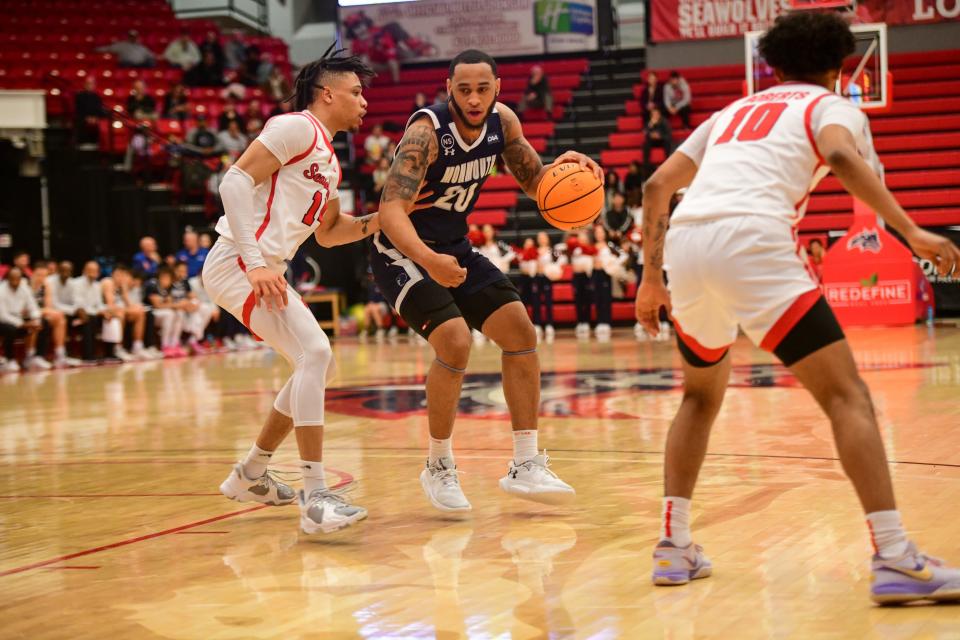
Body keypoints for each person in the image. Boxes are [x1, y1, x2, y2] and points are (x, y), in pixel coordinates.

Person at [635, 11, 960, 603]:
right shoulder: (831, 107)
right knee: (848, 396)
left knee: (698, 396)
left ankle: (673, 546)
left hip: (685, 244)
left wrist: (650, 280)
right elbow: (838, 157)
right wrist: (913, 232)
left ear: (772, 65)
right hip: (751, 239)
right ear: (841, 69)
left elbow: (657, 185)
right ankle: (893, 556)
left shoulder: (729, 113)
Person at [374, 50, 597, 511]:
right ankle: (438, 465)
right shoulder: (426, 133)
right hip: (401, 251)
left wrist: (566, 170)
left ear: (497, 85)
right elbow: (390, 211)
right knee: (455, 342)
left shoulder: (504, 123)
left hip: (454, 247)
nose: (474, 99)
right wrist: (428, 260)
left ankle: (525, 463)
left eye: (483, 88)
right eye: (463, 89)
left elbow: (537, 184)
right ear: (448, 87)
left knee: (519, 332)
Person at [203, 50, 379, 535]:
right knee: (316, 353)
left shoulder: (329, 159)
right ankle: (315, 496)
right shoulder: (296, 127)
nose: (364, 102)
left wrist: (387, 218)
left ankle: (252, 474)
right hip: (239, 262)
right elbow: (234, 181)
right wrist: (256, 263)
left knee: (312, 360)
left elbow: (331, 232)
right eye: (357, 93)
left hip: (262, 268)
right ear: (328, 94)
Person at [30, 265, 82, 368]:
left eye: (45, 276)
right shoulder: (25, 285)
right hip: (26, 315)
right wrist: (46, 312)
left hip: (40, 314)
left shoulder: (46, 286)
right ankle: (32, 356)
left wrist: (49, 313)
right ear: (33, 274)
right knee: (41, 320)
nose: (41, 278)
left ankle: (60, 355)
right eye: (39, 275)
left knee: (60, 319)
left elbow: (49, 306)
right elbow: (27, 309)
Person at [0, 267, 44, 373]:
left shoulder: (24, 288)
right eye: (12, 278)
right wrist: (23, 324)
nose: (15, 281)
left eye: (18, 278)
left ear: (21, 278)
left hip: (19, 320)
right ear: (7, 278)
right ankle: (9, 360)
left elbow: (33, 307)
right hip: (3, 321)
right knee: (9, 329)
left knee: (42, 323)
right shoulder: (1, 290)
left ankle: (32, 357)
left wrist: (36, 319)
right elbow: (3, 316)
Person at [74, 76, 105, 145]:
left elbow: (99, 110)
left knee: (103, 123)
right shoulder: (79, 96)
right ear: (84, 84)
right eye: (88, 83)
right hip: (83, 118)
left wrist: (96, 118)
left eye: (91, 83)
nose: (90, 85)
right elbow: (78, 110)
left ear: (94, 85)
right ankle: (82, 144)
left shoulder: (97, 97)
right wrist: (87, 118)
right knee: (80, 121)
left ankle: (98, 143)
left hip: (95, 119)